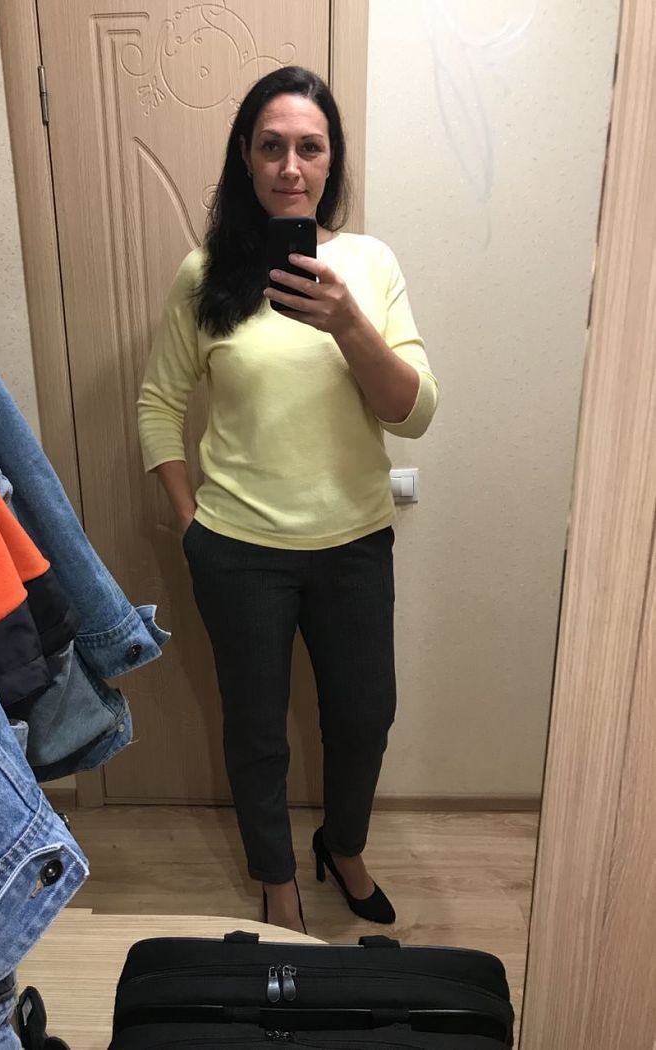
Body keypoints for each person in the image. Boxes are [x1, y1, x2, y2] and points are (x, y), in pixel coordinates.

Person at [137, 66, 438, 933]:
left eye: (310, 147)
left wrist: (346, 321)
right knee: (257, 729)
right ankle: (276, 877)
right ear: (246, 156)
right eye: (272, 146)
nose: (291, 166)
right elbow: (158, 404)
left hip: (355, 545)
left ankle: (343, 847)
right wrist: (190, 523)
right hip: (237, 552)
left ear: (332, 160)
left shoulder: (369, 265)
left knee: (364, 718)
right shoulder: (205, 275)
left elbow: (414, 411)